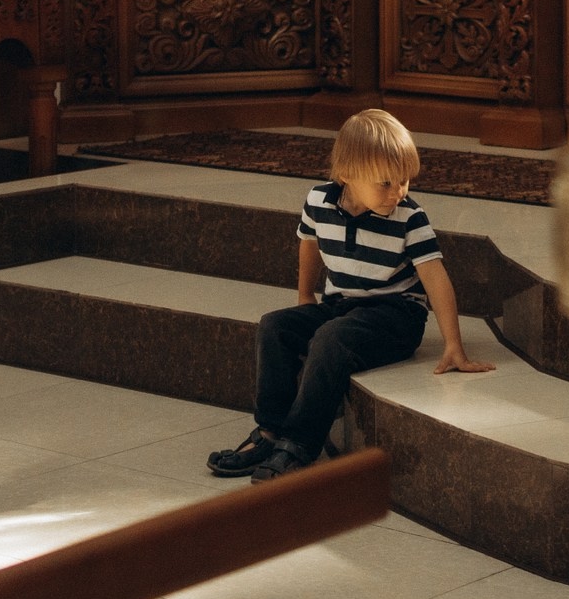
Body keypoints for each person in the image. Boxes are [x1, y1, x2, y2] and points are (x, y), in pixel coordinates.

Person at [208, 111, 491, 483]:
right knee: (274, 326)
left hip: (396, 315)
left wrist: (453, 345)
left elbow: (436, 279)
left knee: (332, 338)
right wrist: (305, 294)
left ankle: (299, 444)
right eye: (385, 183)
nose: (398, 192)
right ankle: (270, 431)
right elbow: (309, 244)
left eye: (404, 180)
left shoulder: (410, 217)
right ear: (346, 175)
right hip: (341, 304)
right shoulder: (319, 201)